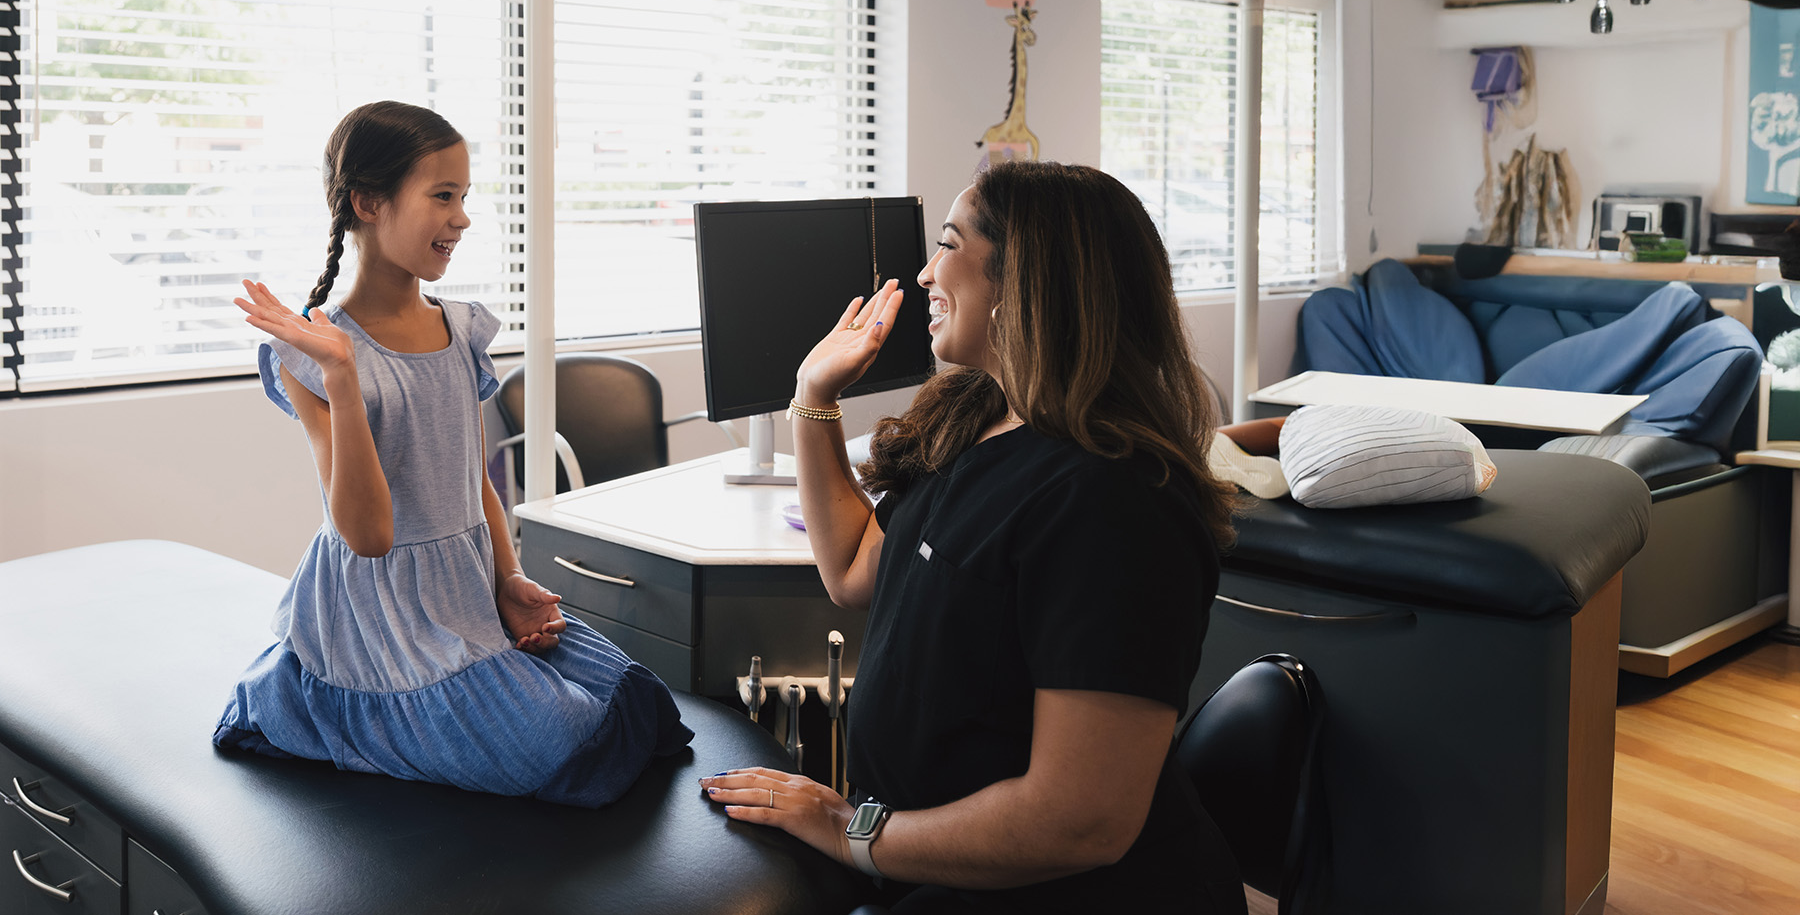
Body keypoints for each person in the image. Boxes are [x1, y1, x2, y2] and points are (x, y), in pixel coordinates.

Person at [701, 160, 1246, 912]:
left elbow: (1081, 823)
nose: (926, 274)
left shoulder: (1115, 502)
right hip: (929, 858)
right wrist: (812, 398)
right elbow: (856, 570)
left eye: (948, 246)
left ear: (1024, 281)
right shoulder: (976, 415)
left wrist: (847, 830)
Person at [214, 100, 692, 807]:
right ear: (368, 202)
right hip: (382, 615)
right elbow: (370, 537)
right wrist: (345, 380)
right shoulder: (311, 357)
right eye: (443, 196)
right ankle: (318, 702)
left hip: (465, 589)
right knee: (565, 742)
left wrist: (508, 581)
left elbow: (474, 481)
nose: (463, 218)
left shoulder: (459, 327)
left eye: (464, 197)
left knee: (641, 706)